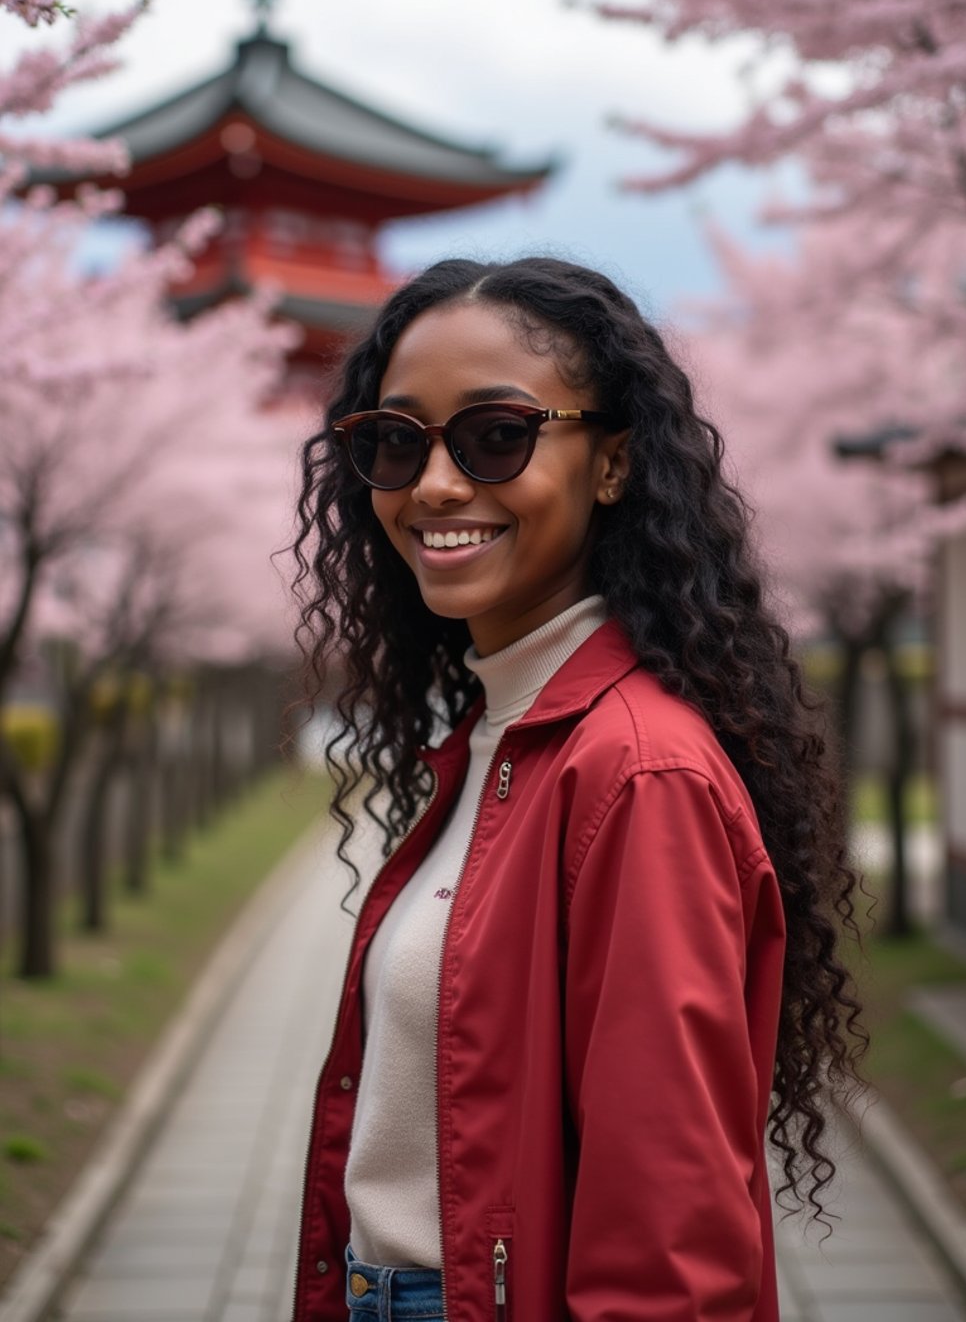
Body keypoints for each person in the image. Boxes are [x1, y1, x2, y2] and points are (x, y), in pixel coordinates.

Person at [290, 257, 864, 1322]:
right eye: (396, 441)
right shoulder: (500, 738)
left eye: (496, 435)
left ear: (610, 465)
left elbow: (669, 1241)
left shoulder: (634, 773)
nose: (436, 486)